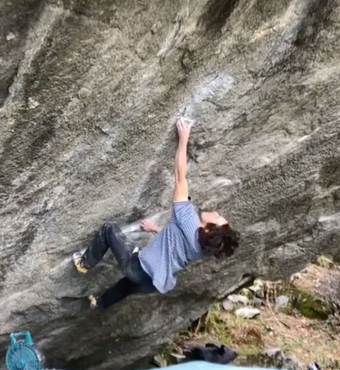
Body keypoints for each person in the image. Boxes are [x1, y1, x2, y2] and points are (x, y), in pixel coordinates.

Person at [72, 117, 240, 310]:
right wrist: (156, 229)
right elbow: (176, 245)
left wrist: (183, 139)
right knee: (127, 286)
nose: (216, 212)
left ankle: (84, 263)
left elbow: (180, 176)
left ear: (211, 228)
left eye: (218, 217)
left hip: (139, 268)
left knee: (109, 230)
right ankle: (100, 303)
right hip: (153, 283)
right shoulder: (204, 248)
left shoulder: (188, 220)